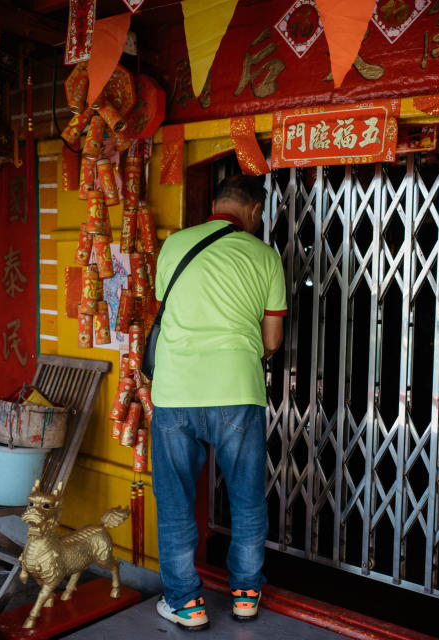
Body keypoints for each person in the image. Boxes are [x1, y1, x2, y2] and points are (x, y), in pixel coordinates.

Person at [150, 174, 286, 631]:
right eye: (260, 213)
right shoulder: (266, 257)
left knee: (174, 501)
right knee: (247, 498)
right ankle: (246, 594)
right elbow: (271, 340)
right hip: (237, 393)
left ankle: (186, 604)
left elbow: (168, 311)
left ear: (214, 203)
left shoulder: (174, 247)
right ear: (254, 210)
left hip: (175, 393)